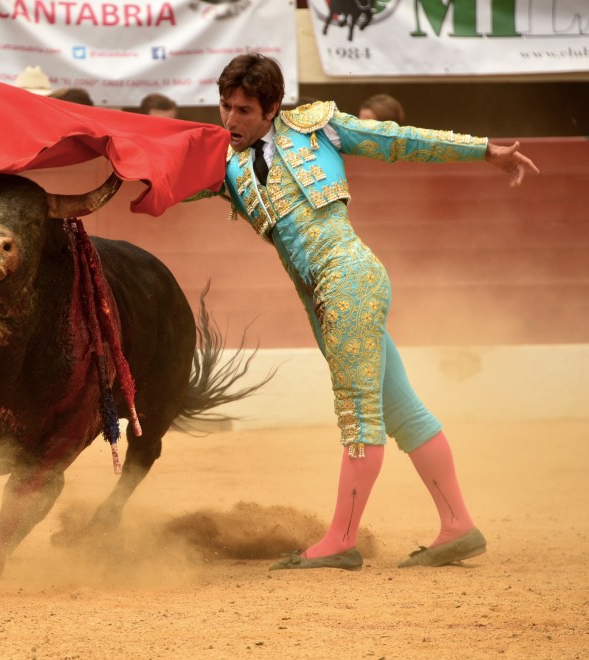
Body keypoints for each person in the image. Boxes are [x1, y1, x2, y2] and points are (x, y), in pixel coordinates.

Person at [203, 53, 538, 570]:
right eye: (224, 107)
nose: (230, 121)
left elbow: (401, 142)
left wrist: (484, 150)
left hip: (348, 280)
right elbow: (164, 174)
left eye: (243, 110)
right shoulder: (227, 165)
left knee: (360, 417)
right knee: (403, 412)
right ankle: (458, 526)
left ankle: (340, 539)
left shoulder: (318, 127)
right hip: (321, 298)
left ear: (271, 107)